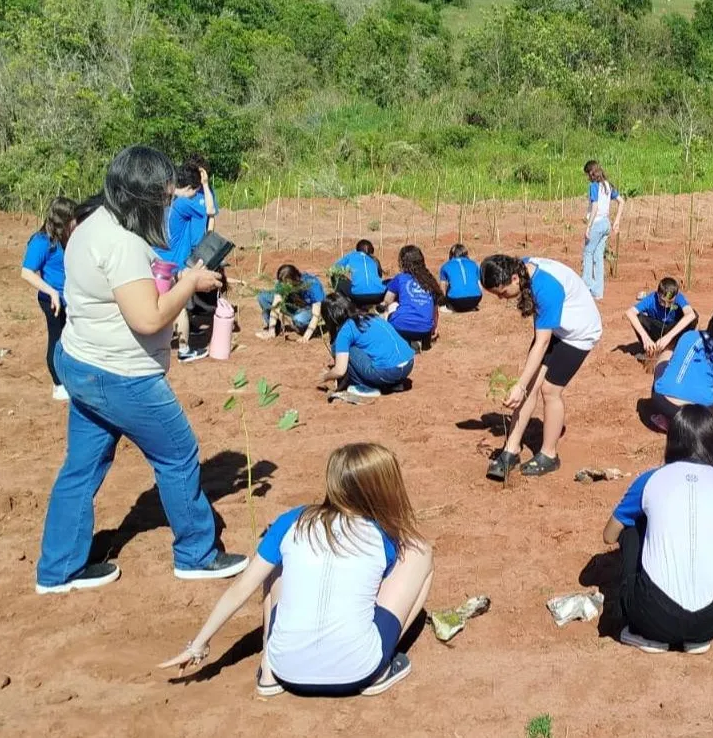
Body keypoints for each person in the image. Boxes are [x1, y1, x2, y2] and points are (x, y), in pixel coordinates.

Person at [35, 145, 247, 594]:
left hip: (82, 362)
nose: (169, 200)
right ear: (145, 194)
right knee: (178, 454)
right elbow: (148, 319)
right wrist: (190, 282)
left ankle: (58, 569)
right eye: (165, 193)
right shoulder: (123, 244)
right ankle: (196, 554)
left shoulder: (91, 224)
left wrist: (173, 276)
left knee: (82, 467)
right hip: (121, 375)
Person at [159, 443, 434, 698]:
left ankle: (268, 670)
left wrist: (199, 643)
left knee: (276, 562)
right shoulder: (384, 535)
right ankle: (381, 670)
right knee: (419, 551)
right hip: (358, 670)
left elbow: (241, 588)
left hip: (286, 668)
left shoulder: (291, 522)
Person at [602, 405, 713, 653]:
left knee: (632, 527)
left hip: (651, 615)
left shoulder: (650, 480)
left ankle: (644, 633)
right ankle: (695, 638)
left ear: (671, 441)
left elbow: (609, 535)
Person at [480, 254, 602, 478]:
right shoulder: (521, 269)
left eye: (502, 293)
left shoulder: (546, 288)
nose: (501, 298)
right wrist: (523, 385)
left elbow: (542, 342)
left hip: (579, 333)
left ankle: (549, 455)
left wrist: (519, 386)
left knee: (550, 389)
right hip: (556, 326)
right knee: (530, 385)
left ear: (514, 279)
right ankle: (511, 449)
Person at [159, 157, 218, 363]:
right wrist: (205, 185)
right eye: (194, 190)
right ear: (189, 188)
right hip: (174, 264)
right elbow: (210, 211)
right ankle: (184, 349)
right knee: (179, 306)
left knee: (162, 303)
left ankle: (163, 342)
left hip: (158, 260)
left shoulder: (165, 202)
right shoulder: (183, 204)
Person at [649, 308, 713, 432]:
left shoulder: (689, 335)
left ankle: (668, 419)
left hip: (662, 401)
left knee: (667, 354)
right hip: (700, 414)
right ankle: (682, 425)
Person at [20, 196, 77, 401]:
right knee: (57, 339)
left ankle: (70, 378)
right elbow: (27, 272)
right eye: (72, 218)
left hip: (70, 298)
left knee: (72, 339)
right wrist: (52, 292)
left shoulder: (67, 238)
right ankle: (58, 384)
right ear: (62, 220)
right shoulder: (42, 241)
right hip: (52, 299)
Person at [321, 293, 415, 403]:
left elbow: (340, 371)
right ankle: (394, 384)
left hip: (387, 373)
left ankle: (365, 387)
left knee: (341, 348)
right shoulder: (370, 316)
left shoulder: (346, 330)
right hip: (408, 365)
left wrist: (325, 377)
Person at [383, 245, 443, 351]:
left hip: (401, 327)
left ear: (402, 262)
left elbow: (387, 301)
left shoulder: (400, 278)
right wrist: (433, 329)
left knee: (392, 306)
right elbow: (434, 311)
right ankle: (423, 343)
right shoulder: (430, 281)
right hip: (425, 330)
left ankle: (393, 341)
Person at [624, 277, 698, 360]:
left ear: (676, 296)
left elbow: (691, 314)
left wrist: (668, 337)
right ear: (658, 294)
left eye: (670, 302)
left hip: (674, 332)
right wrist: (645, 338)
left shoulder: (679, 297)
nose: (666, 306)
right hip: (657, 331)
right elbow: (630, 313)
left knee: (694, 315)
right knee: (638, 318)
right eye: (662, 301)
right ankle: (650, 352)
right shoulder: (651, 298)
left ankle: (674, 349)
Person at [582, 160, 624, 300]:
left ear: (591, 173)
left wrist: (588, 226)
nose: (587, 177)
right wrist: (616, 221)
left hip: (597, 223)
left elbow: (595, 207)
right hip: (606, 223)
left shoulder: (594, 186)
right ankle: (598, 292)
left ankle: (586, 285)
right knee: (598, 256)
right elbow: (621, 201)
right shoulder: (607, 185)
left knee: (588, 253)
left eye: (588, 174)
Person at [256, 264, 325, 343]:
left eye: (287, 283)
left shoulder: (312, 284)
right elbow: (275, 307)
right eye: (282, 283)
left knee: (299, 319)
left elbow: (316, 315)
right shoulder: (282, 282)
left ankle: (311, 329)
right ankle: (275, 329)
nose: (284, 286)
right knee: (263, 297)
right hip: (293, 305)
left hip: (309, 310)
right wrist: (271, 332)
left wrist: (306, 337)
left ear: (294, 278)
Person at [333, 239, 387, 307]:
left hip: (358, 296)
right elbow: (379, 276)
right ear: (372, 250)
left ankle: (343, 306)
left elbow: (335, 268)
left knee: (337, 278)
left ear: (357, 250)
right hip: (379, 295)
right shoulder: (374, 259)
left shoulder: (352, 256)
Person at [438, 243, 482, 313]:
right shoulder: (474, 264)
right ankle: (471, 306)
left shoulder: (445, 266)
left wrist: (442, 303)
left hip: (456, 301)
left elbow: (442, 287)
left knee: (450, 284)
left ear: (451, 254)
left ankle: (447, 307)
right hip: (476, 299)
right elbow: (479, 285)